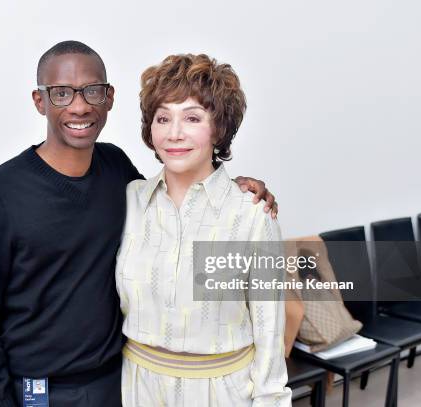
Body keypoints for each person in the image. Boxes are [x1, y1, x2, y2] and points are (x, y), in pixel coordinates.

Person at [0, 41, 279, 407]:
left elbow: (180, 200)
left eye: (91, 91)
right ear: (40, 101)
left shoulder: (119, 174)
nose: (79, 105)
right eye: (61, 93)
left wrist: (234, 191)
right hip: (40, 392)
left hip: (118, 384)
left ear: (108, 97)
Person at [116, 54, 292, 406]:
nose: (174, 133)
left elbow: (269, 331)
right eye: (163, 118)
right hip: (137, 389)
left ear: (219, 128)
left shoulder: (252, 214)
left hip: (223, 393)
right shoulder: (129, 199)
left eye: (193, 117)